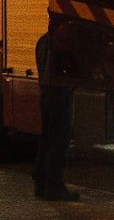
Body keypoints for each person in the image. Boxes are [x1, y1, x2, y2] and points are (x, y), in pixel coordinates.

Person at [32, 19, 80, 201]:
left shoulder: (43, 41)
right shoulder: (62, 41)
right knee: (60, 138)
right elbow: (70, 69)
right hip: (59, 92)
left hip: (46, 92)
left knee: (47, 137)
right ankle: (54, 185)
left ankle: (40, 180)